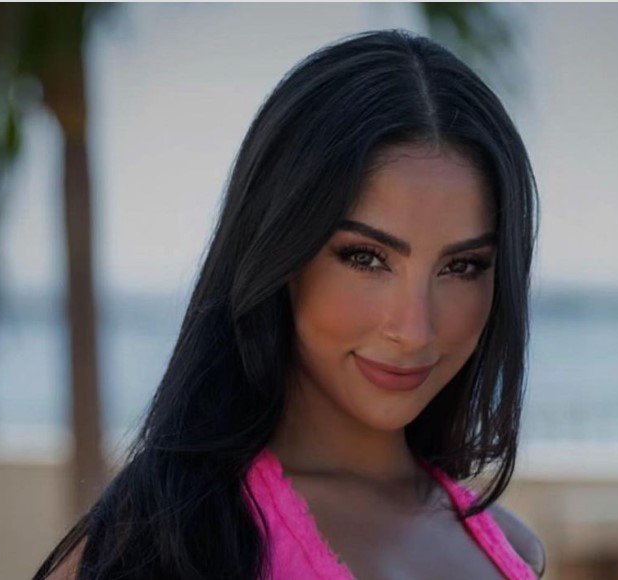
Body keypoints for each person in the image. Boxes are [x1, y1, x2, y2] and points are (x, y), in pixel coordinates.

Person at [35, 29, 544, 579]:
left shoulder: (513, 550)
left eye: (462, 266)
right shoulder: (164, 545)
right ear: (280, 251)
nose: (414, 329)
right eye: (366, 258)